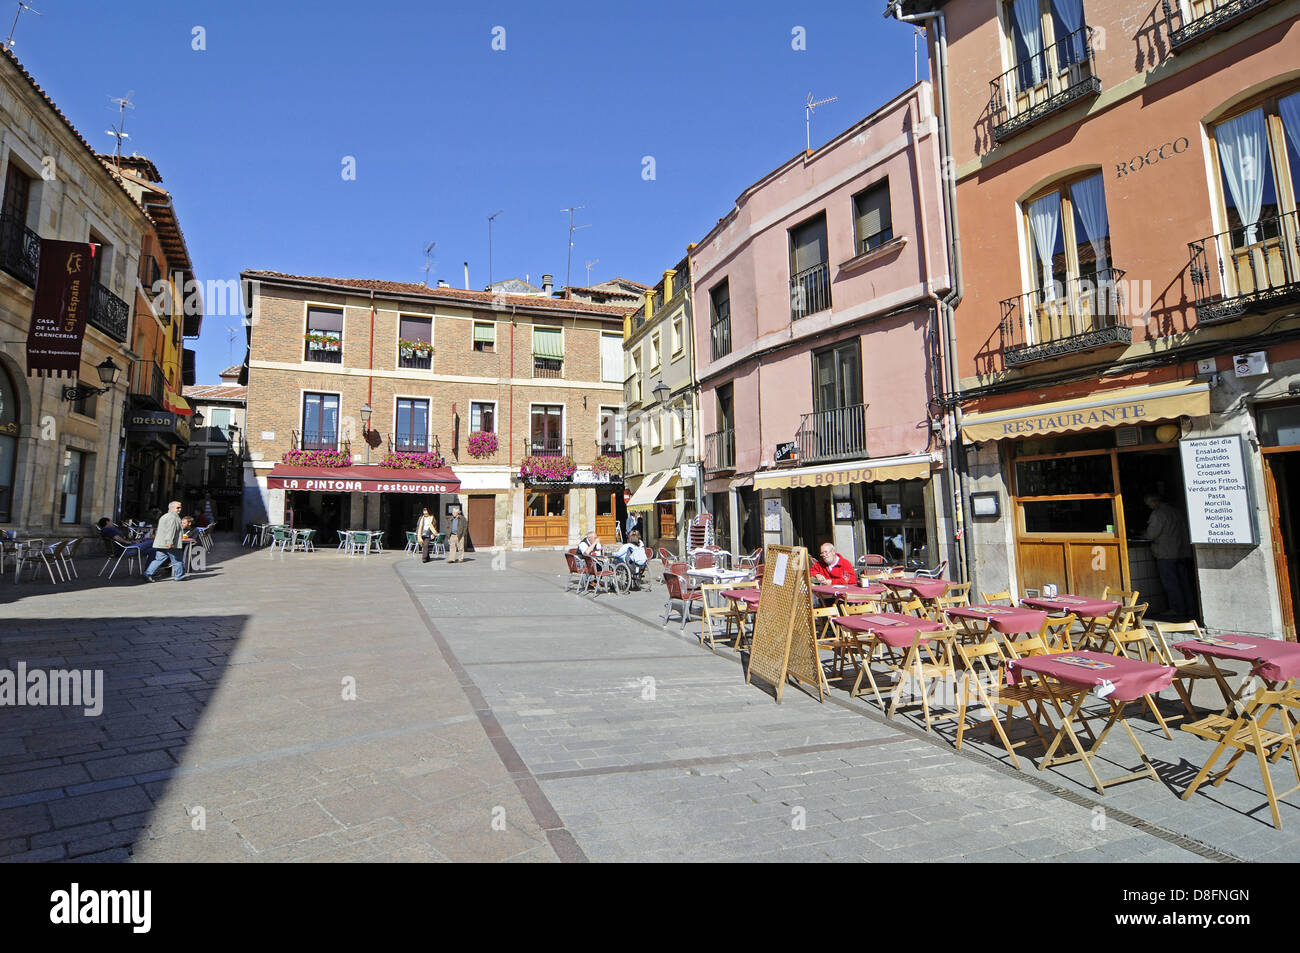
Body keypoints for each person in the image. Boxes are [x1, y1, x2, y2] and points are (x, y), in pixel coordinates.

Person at [1144, 492, 1195, 618]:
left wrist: (1142, 535)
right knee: (1184, 582)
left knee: (1171, 583)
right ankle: (1190, 608)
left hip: (1166, 553)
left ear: (1154, 501)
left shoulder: (1158, 514)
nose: (1149, 506)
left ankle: (1177, 609)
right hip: (1182, 551)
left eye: (1149, 504)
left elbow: (1151, 534)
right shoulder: (1176, 511)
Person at [144, 500, 186, 582]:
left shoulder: (165, 516)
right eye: (178, 507)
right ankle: (179, 576)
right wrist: (169, 542)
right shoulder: (173, 517)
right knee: (177, 560)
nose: (180, 509)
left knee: (158, 559)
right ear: (172, 508)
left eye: (180, 507)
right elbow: (170, 530)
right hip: (170, 544)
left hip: (161, 543)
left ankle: (148, 573)